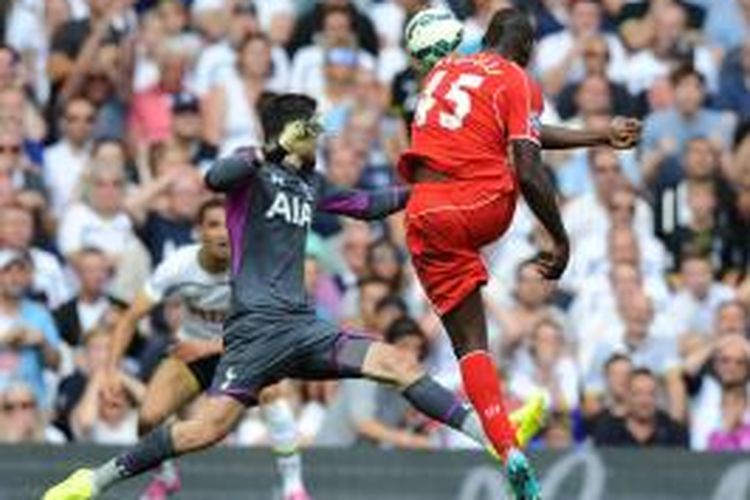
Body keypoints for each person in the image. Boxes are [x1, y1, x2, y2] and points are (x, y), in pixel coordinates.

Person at [43, 93, 545, 500]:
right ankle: (94, 481)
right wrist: (272, 150)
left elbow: (368, 206)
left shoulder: (312, 182)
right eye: (313, 131)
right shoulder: (253, 174)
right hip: (256, 329)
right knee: (208, 429)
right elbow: (212, 177)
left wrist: (432, 192)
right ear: (292, 133)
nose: (319, 139)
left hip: (303, 326)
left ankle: (492, 437)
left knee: (395, 361)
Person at [397, 9, 639, 496]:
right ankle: (508, 447)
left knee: (470, 344)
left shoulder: (444, 70)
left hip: (423, 212)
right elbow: (527, 165)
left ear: (486, 39)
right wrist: (560, 237)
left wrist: (597, 134)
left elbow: (522, 128)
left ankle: (508, 449)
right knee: (513, 168)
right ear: (527, 49)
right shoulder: (516, 77)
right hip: (480, 205)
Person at [100, 197, 311, 500]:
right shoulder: (178, 266)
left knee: (272, 391)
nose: (223, 233)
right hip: (192, 353)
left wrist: (210, 346)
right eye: (213, 225)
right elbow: (130, 317)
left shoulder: (256, 265)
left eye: (229, 225)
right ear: (198, 231)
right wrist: (109, 371)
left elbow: (274, 328)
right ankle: (166, 478)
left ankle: (294, 487)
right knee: (148, 417)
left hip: (243, 352)